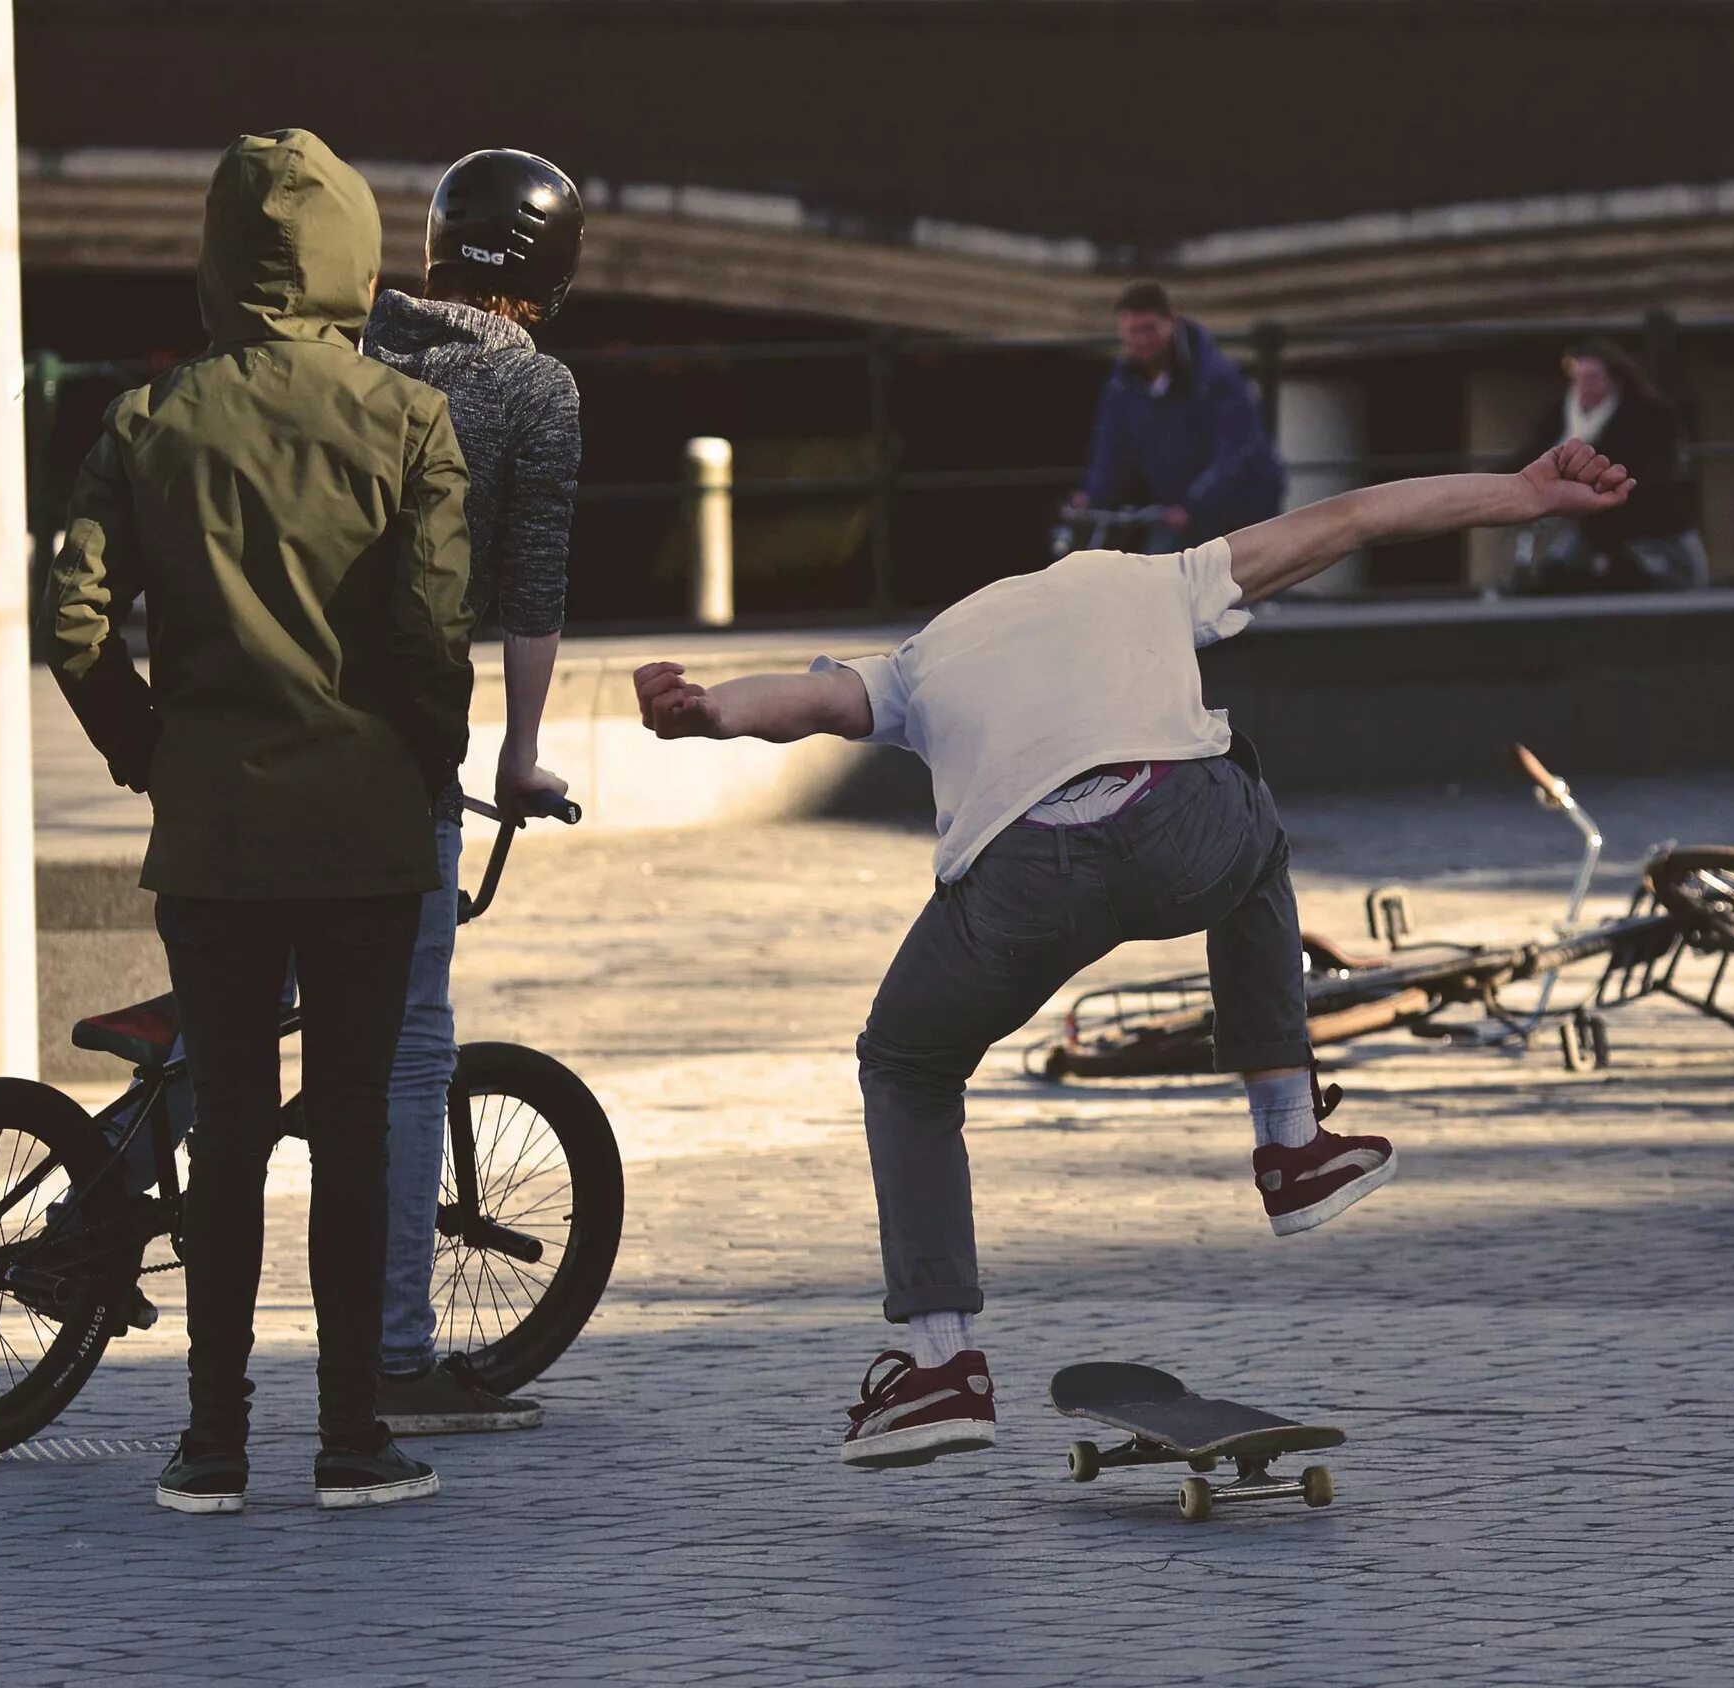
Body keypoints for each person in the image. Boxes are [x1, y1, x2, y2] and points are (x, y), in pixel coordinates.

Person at [631, 439, 1635, 1469]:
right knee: (1250, 811)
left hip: (1020, 879)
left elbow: (807, 704)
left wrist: (706, 708)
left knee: (906, 1063)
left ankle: (940, 1365)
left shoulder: (923, 655)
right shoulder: (1147, 577)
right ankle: (1290, 1144)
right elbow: (1354, 518)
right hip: (1176, 830)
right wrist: (1521, 494)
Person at [44, 129, 475, 1516]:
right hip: (364, 836)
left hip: (214, 834)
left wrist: (147, 750)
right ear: (355, 253)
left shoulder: (147, 419)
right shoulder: (409, 419)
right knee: (349, 1127)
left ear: (219, 262)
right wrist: (429, 762)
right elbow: (428, 636)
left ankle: (211, 1445)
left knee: (226, 1133)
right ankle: (352, 1437)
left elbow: (73, 625)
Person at [355, 147, 586, 1437]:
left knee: (243, 1023)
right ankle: (396, 1356)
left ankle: (85, 1219)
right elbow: (534, 585)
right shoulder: (534, 389)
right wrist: (519, 752)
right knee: (408, 1050)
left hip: (260, 750)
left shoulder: (350, 350)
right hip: (398, 760)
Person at [1070, 281, 1286, 551]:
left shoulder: (1215, 375)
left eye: (1150, 329)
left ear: (1171, 323)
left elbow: (1236, 448)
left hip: (1238, 508)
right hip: (1179, 513)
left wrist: (1193, 504)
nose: (1142, 340)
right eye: (1132, 331)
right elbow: (1111, 449)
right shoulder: (1122, 386)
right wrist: (1092, 497)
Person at [1512, 340, 1705, 592]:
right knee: (1553, 574)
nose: (1585, 386)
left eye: (1593, 377)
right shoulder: (1560, 416)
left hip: (1648, 523)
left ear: (1614, 379)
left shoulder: (1651, 416)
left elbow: (1660, 474)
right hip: (1585, 524)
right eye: (1579, 378)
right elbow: (1531, 455)